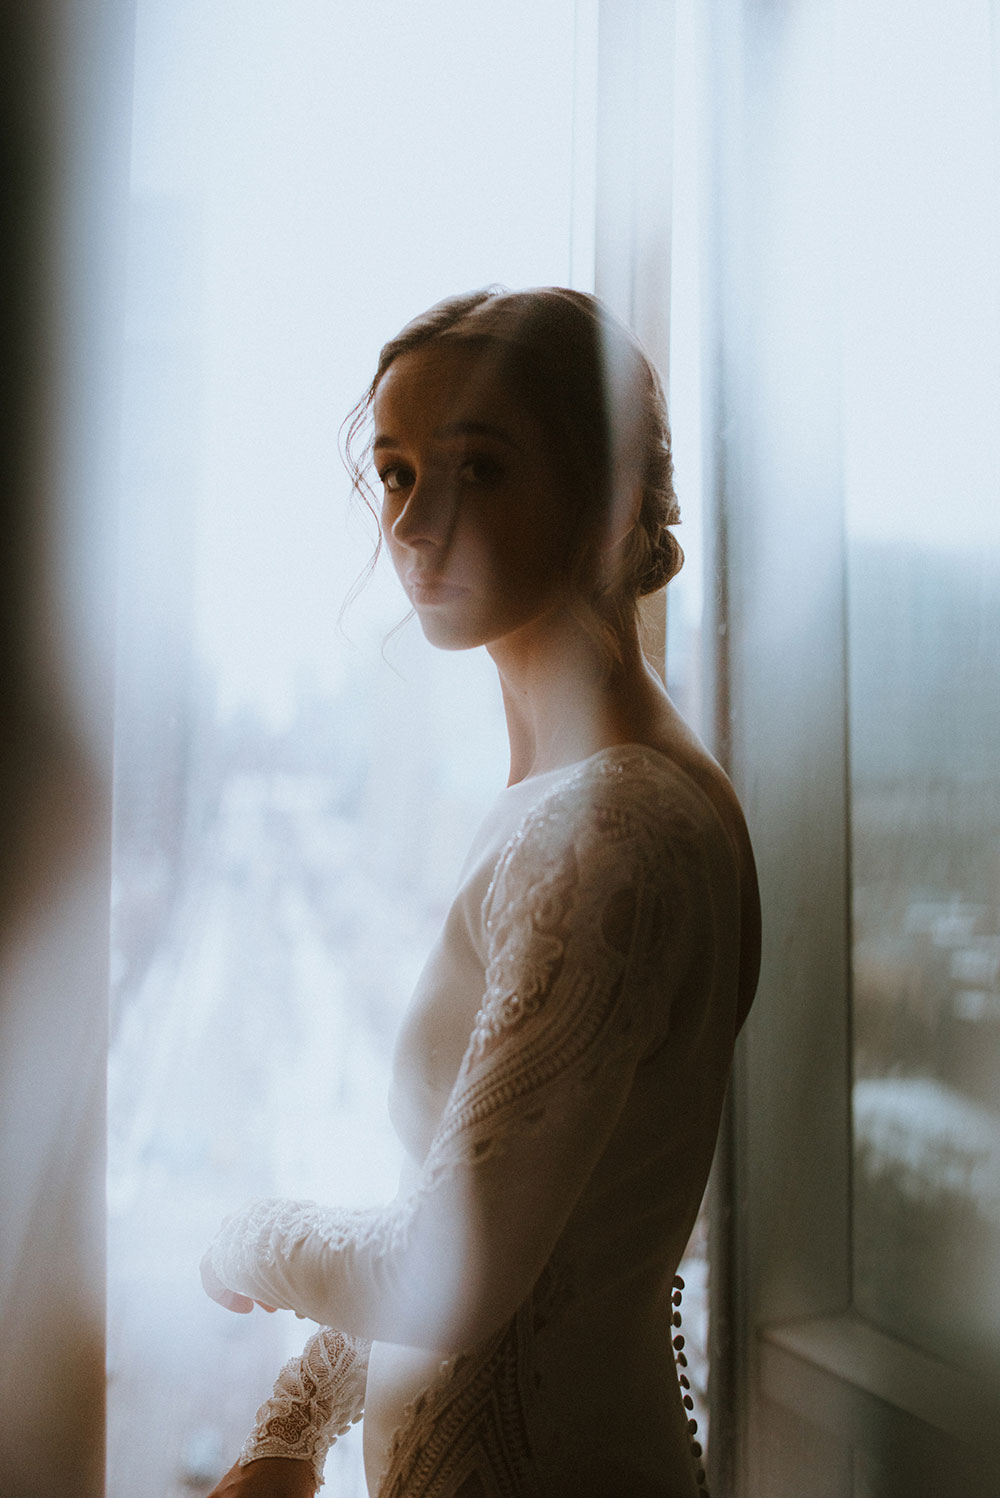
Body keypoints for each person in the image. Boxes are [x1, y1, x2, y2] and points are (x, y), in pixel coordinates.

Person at [200, 287, 760, 1498]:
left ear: (608, 496)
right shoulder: (565, 796)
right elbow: (511, 1213)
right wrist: (300, 1418)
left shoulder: (614, 827)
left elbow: (453, 1268)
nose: (416, 521)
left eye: (480, 470)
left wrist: (238, 1236)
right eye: (396, 473)